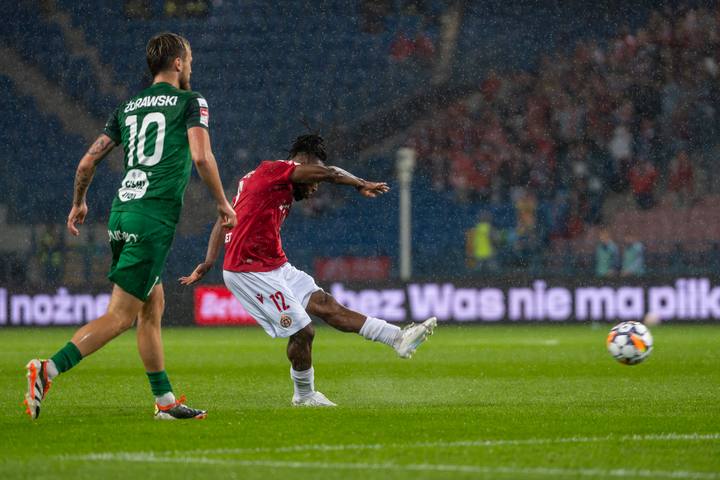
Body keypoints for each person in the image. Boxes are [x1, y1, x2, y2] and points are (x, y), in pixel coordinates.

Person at [24, 33, 237, 421]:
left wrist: (79, 202)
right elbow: (201, 157)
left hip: (122, 213)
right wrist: (223, 203)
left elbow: (86, 163)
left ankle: (165, 401)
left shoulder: (127, 107)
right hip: (152, 218)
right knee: (121, 315)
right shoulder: (191, 102)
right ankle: (48, 369)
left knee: (152, 306)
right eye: (188, 60)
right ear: (178, 63)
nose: (190, 66)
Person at [181, 134, 437, 407]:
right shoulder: (276, 170)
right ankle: (304, 396)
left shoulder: (261, 181)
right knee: (304, 331)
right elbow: (330, 173)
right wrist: (360, 183)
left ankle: (397, 338)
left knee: (326, 305)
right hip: (249, 270)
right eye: (312, 179)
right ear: (302, 163)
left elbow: (225, 216)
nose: (314, 187)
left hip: (274, 265)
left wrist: (209, 260)